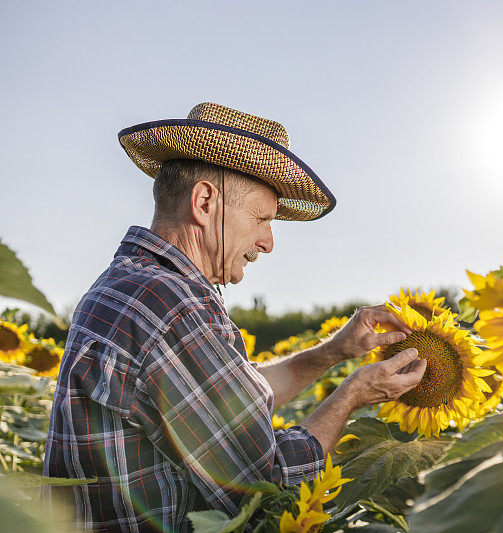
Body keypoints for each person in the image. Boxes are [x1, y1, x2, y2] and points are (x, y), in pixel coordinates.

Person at [42, 102, 427, 532]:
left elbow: (227, 405)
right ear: (205, 202)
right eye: (262, 218)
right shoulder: (172, 306)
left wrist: (335, 351)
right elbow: (269, 486)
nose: (268, 242)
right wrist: (354, 394)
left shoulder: (131, 286)